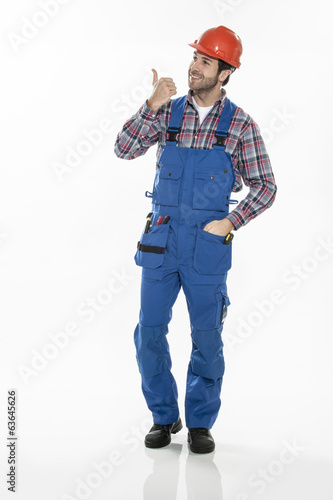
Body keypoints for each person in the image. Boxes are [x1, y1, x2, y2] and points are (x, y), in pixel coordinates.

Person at [114, 26, 277, 454]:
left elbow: (266, 186)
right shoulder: (166, 112)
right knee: (148, 333)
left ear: (225, 73)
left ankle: (201, 423)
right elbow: (123, 148)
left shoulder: (240, 124)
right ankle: (164, 416)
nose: (194, 66)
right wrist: (150, 105)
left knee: (207, 338)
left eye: (206, 61)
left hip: (206, 250)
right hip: (160, 245)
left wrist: (233, 221)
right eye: (195, 58)